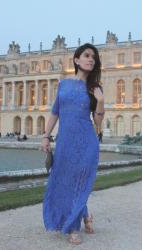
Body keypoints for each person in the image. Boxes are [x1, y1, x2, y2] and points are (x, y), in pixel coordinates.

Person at [41, 43, 104, 245]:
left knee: (79, 182)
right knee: (65, 181)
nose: (90, 59)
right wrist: (45, 136)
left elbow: (98, 122)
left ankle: (73, 226)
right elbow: (54, 112)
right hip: (65, 142)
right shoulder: (64, 84)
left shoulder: (95, 88)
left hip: (86, 142)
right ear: (76, 60)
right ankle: (86, 215)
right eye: (86, 55)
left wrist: (101, 102)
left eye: (93, 57)